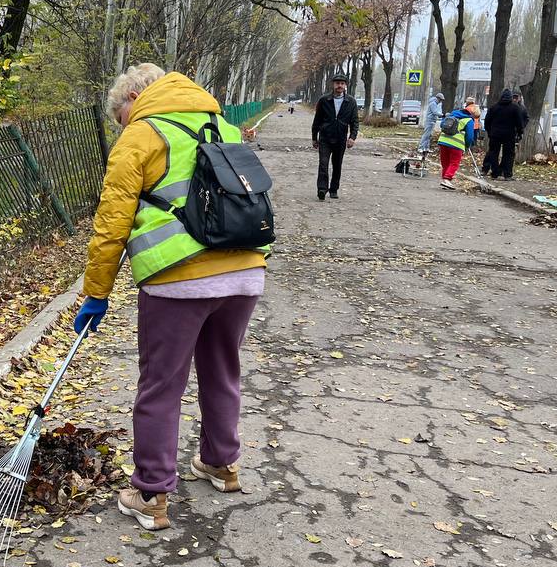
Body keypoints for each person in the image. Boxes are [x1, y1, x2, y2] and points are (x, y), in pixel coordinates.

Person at [74, 64, 268, 531]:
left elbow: (111, 224)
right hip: (243, 270)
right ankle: (222, 465)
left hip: (177, 278)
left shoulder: (141, 135)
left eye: (123, 113)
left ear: (137, 94)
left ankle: (150, 492)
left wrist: (95, 292)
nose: (123, 122)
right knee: (223, 371)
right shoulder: (221, 124)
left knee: (161, 384)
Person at [311, 73, 359, 200]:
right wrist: (314, 138)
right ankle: (322, 189)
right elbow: (317, 120)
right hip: (325, 138)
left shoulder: (351, 102)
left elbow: (355, 121)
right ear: (333, 85)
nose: (340, 86)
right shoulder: (324, 100)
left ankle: (333, 189)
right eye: (337, 83)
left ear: (345, 86)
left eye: (342, 83)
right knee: (323, 163)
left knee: (337, 165)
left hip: (340, 138)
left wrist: (352, 137)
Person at [482, 89, 523, 180]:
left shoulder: (494, 107)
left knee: (493, 153)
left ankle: (495, 172)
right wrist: (520, 133)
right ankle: (507, 174)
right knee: (508, 154)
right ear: (510, 97)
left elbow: (487, 121)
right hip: (509, 135)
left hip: (495, 134)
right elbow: (519, 122)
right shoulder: (515, 108)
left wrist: (489, 132)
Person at [437, 106, 476, 190]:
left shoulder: (452, 115)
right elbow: (469, 136)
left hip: (443, 141)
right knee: (454, 163)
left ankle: (444, 179)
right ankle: (447, 179)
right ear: (471, 113)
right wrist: (466, 146)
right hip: (456, 144)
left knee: (445, 162)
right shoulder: (469, 120)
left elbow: (441, 125)